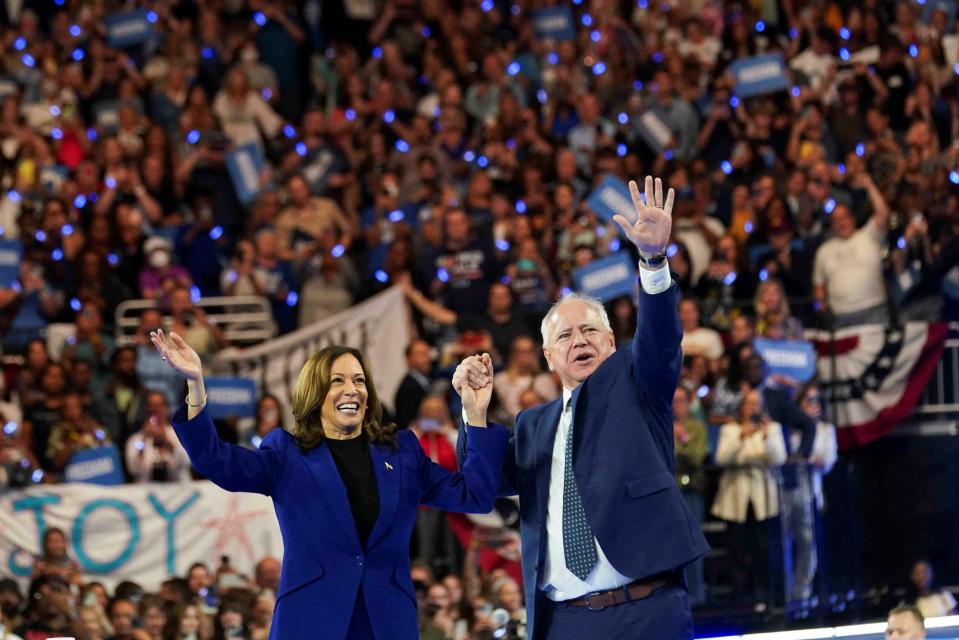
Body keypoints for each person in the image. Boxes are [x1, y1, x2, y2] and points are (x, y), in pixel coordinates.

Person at [455, 176, 708, 639]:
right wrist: (475, 414)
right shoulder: (532, 425)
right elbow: (482, 485)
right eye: (565, 336)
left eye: (590, 330)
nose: (580, 341)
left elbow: (661, 341)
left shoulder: (638, 385)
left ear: (612, 342)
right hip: (564, 621)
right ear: (549, 357)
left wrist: (652, 261)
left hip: (646, 611)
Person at [150, 331, 509, 639]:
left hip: (386, 622)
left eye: (358, 380)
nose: (350, 390)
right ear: (316, 392)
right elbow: (217, 462)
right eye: (337, 381)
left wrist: (475, 414)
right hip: (310, 621)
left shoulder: (402, 453)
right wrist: (196, 385)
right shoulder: (285, 453)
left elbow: (474, 495)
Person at [711, 389, 788, 612]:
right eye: (749, 403)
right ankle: (741, 598)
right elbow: (723, 458)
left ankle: (766, 595)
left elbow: (778, 458)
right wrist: (742, 438)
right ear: (742, 406)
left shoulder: (772, 428)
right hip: (736, 500)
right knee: (737, 548)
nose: (753, 408)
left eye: (757, 403)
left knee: (764, 548)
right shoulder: (731, 430)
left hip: (764, 500)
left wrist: (765, 439)